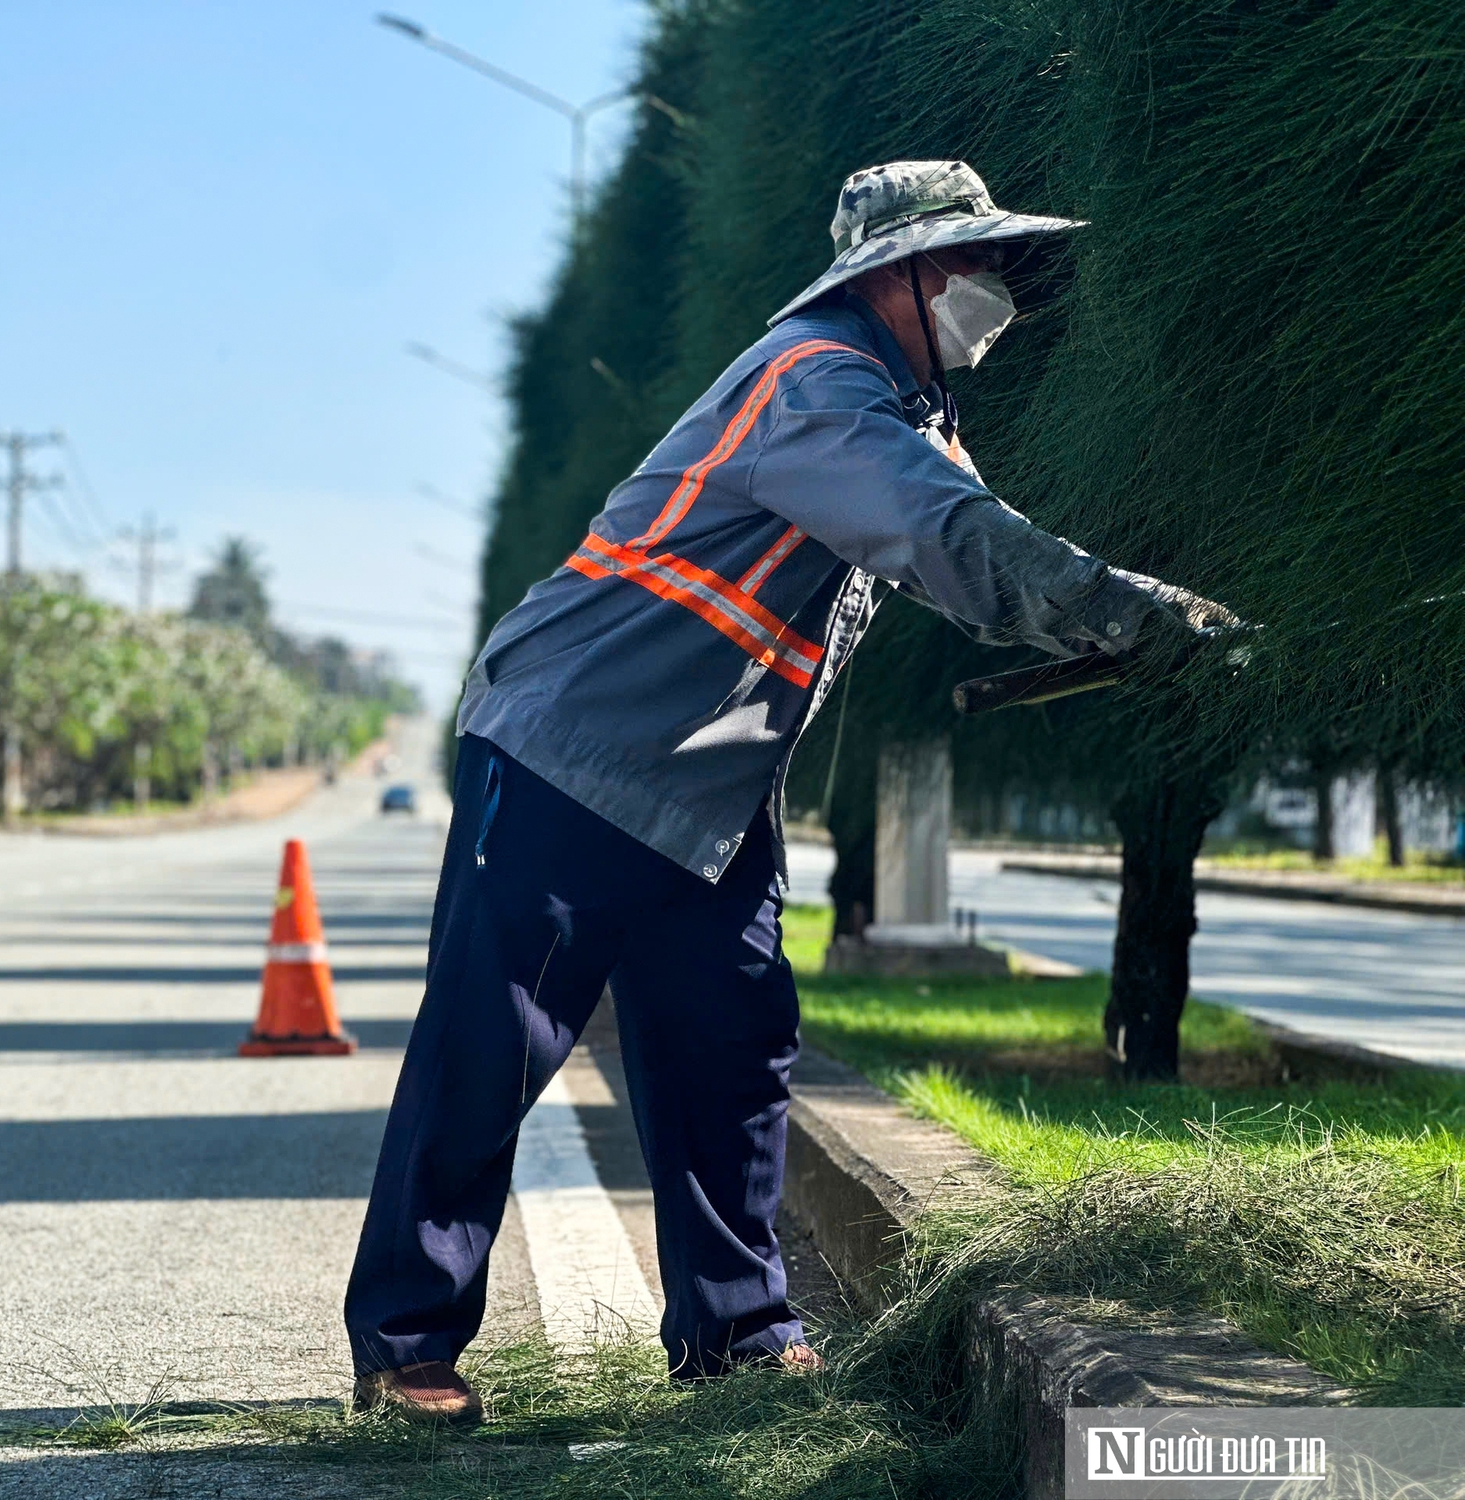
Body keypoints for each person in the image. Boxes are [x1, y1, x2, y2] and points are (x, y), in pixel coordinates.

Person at [343, 160, 1228, 1424]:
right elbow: (953, 544)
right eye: (973, 267)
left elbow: (958, 560)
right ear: (899, 276)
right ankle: (406, 1347)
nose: (997, 292)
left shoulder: (898, 409)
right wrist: (1136, 613)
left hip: (706, 783)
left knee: (733, 1045)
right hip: (570, 754)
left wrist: (1129, 624)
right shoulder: (810, 382)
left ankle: (739, 1338)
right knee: (490, 1048)